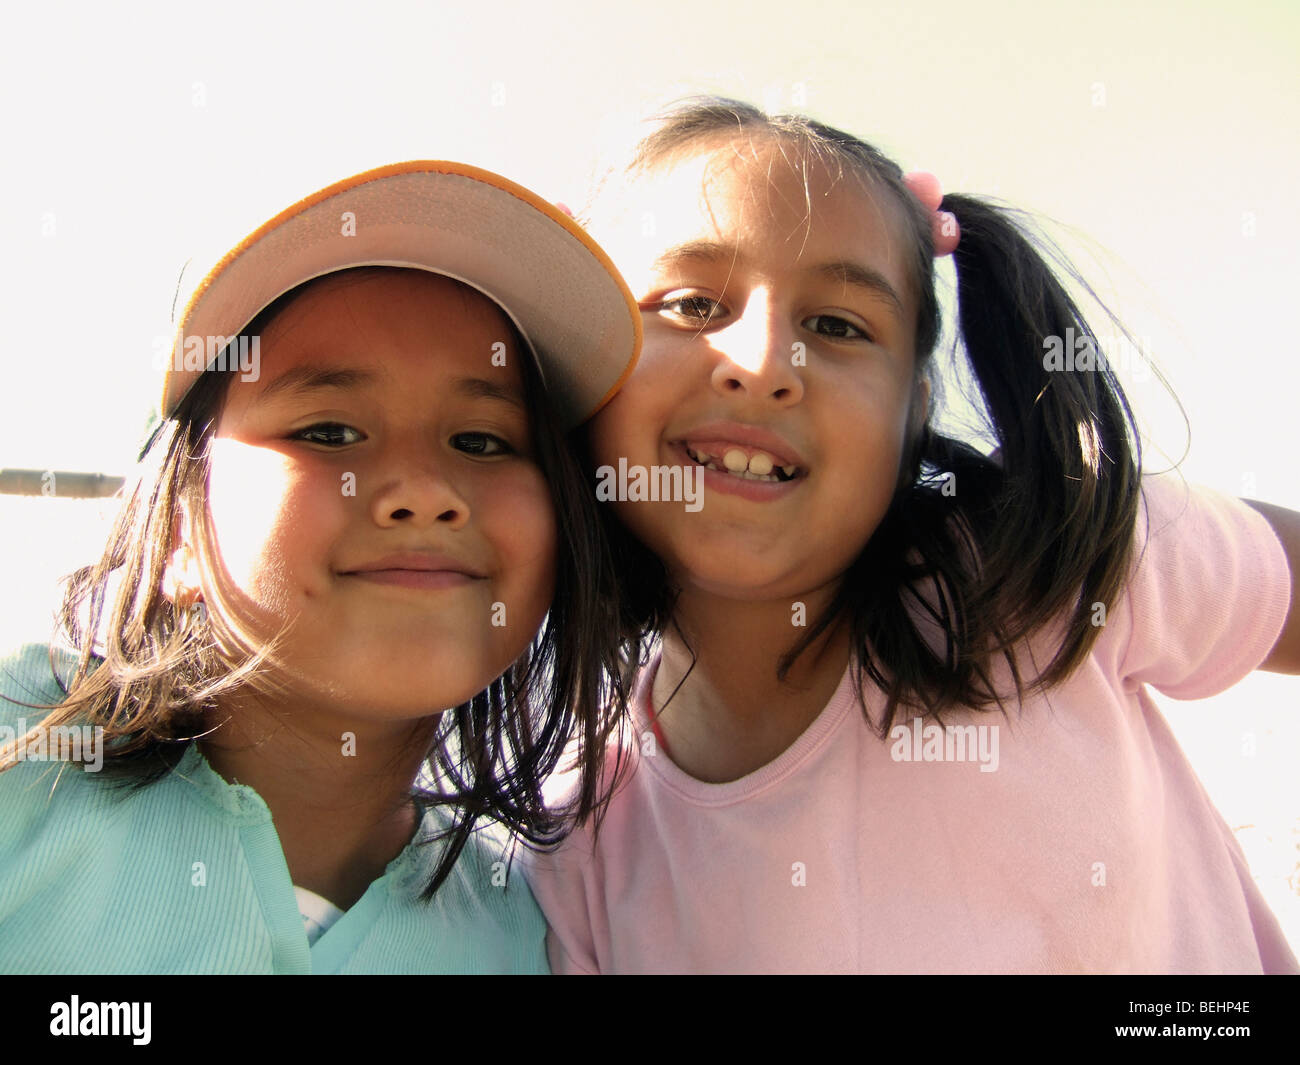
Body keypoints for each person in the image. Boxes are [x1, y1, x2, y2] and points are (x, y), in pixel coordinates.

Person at [524, 98, 1300, 974]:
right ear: (581, 366)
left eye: (840, 325)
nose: (765, 362)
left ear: (913, 412)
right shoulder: (583, 848)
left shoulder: (1050, 561)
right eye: (694, 301)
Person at [0, 160, 640, 974]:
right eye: (329, 432)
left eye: (482, 441)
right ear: (177, 534)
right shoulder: (22, 754)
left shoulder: (533, 936)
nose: (424, 491)